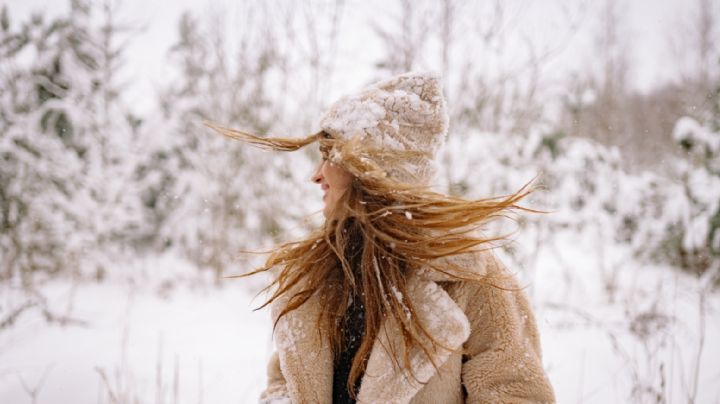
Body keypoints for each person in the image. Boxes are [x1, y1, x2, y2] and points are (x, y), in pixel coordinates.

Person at [205, 71, 555, 404]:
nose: (316, 175)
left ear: (376, 167)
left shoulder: (473, 279)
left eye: (330, 156)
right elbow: (287, 378)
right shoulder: (318, 275)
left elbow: (516, 394)